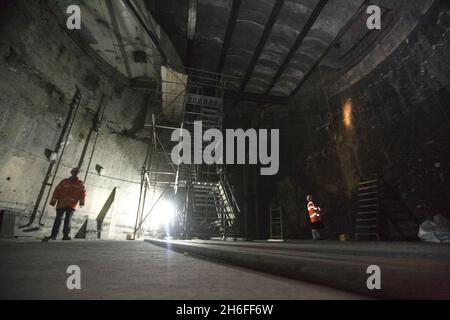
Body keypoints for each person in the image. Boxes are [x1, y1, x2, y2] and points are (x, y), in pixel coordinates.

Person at [42, 168, 86, 242]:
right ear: (72, 172)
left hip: (70, 204)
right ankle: (54, 235)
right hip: (62, 204)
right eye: (74, 172)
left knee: (67, 220)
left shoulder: (80, 183)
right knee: (58, 219)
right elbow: (57, 191)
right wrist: (53, 201)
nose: (75, 173)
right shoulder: (64, 182)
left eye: (77, 172)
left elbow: (83, 193)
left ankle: (65, 235)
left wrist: (82, 202)